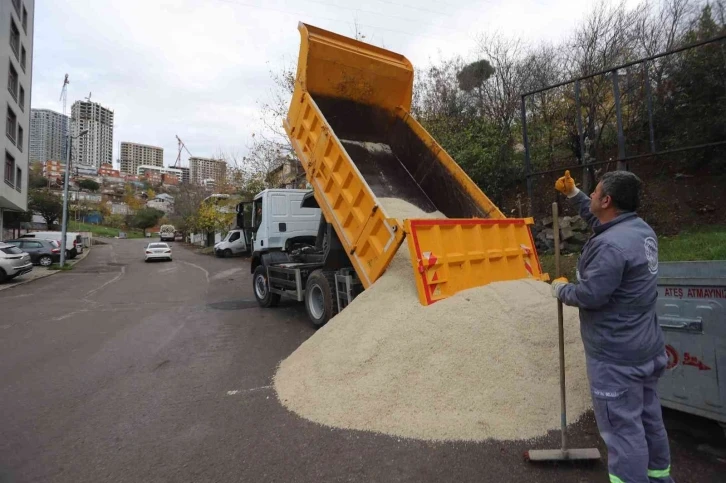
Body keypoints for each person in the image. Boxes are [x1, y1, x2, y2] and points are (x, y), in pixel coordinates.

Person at [551, 170, 673, 483]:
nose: (590, 195)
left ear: (606, 200)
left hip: (616, 357)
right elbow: (601, 224)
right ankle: (659, 477)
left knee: (622, 431)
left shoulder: (610, 248)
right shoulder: (638, 230)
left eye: (593, 193)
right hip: (645, 347)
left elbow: (591, 295)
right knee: (648, 419)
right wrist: (573, 194)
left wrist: (561, 288)